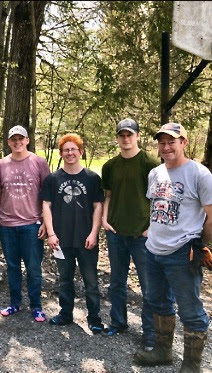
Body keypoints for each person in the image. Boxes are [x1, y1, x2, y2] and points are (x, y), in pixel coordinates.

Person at [133, 122, 212, 371]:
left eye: (172, 142)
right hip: (154, 250)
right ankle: (163, 351)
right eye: (162, 142)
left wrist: (200, 244)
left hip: (182, 252)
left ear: (184, 143)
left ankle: (191, 364)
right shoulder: (155, 173)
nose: (166, 147)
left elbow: (211, 215)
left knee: (190, 310)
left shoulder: (199, 174)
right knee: (158, 302)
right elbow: (156, 208)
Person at [101, 118, 159, 349]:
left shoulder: (150, 163)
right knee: (117, 282)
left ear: (137, 136)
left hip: (141, 235)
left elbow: (158, 199)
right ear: (117, 138)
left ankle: (150, 334)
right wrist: (104, 219)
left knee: (148, 286)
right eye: (122, 135)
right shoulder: (110, 166)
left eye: (129, 135)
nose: (126, 139)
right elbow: (108, 195)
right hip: (115, 232)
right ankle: (118, 322)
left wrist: (151, 228)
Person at [40, 134, 104, 333]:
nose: (70, 153)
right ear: (61, 153)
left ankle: (94, 318)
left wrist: (94, 233)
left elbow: (98, 207)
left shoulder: (92, 178)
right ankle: (65, 314)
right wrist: (51, 233)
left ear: (80, 152)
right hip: (62, 239)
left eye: (73, 149)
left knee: (91, 282)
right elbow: (46, 206)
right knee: (65, 279)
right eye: (66, 150)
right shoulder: (53, 179)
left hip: (86, 240)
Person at [0, 125, 50, 322]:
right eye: (13, 139)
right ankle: (15, 303)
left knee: (33, 267)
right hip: (7, 225)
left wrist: (45, 221)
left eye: (21, 138)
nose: (17, 142)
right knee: (12, 266)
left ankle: (36, 306)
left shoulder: (39, 162)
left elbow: (47, 194)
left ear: (27, 140)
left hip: (32, 224)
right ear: (8, 142)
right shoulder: (1, 165)